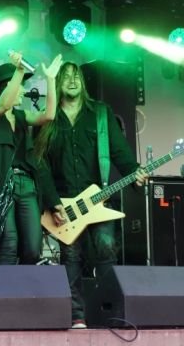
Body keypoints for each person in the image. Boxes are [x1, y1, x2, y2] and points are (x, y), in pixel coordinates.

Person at [34, 61, 147, 329]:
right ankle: (76, 315)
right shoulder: (47, 118)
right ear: (58, 83)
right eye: (66, 77)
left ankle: (110, 311)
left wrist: (134, 172)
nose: (72, 81)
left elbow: (118, 150)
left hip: (98, 198)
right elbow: (40, 164)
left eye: (76, 76)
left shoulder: (100, 113)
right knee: (71, 257)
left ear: (83, 82)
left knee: (106, 249)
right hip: (63, 202)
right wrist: (52, 202)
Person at [0, 51, 63, 265]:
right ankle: (5, 286)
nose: (24, 90)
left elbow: (49, 115)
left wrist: (51, 80)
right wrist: (19, 70)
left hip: (27, 185)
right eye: (20, 85)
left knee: (33, 247)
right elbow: (3, 105)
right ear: (7, 86)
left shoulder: (21, 116)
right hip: (3, 186)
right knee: (9, 242)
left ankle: (23, 284)